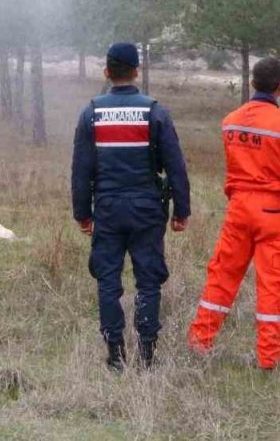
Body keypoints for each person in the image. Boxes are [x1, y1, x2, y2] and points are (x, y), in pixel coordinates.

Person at [71, 42, 191, 371]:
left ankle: (115, 353)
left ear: (107, 72)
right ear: (136, 71)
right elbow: (176, 166)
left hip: (107, 207)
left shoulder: (91, 112)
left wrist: (82, 213)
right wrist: (182, 211)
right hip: (147, 208)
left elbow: (81, 169)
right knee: (148, 281)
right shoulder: (154, 111)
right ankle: (147, 352)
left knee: (108, 280)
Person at [188, 57, 280, 370]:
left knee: (222, 275)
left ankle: (200, 343)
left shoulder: (231, 120)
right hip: (273, 211)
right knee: (270, 285)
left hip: (239, 208)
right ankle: (269, 358)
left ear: (252, 83)